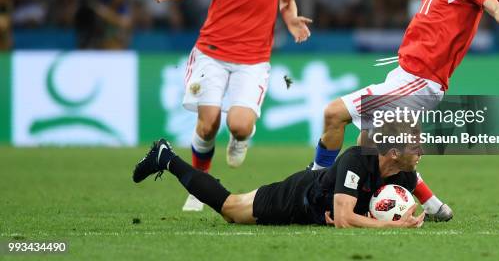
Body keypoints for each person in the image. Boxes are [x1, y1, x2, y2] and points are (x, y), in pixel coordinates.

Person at [310, 0, 499, 220]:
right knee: (369, 148)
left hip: (419, 80)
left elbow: (494, 6)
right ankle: (434, 206)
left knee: (333, 114)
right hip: (405, 76)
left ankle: (312, 187)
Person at [149, 0, 312, 211]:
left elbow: (287, 0)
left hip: (253, 58)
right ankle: (199, 187)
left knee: (239, 125)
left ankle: (241, 139)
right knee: (208, 123)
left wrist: (291, 19)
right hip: (212, 52)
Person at [132, 122, 426, 228]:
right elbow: (345, 221)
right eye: (415, 144)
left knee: (233, 207)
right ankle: (166, 157)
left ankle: (167, 158)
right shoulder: (355, 160)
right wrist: (392, 227)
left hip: (318, 209)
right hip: (300, 196)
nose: (422, 149)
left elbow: (359, 214)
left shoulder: (406, 177)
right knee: (231, 209)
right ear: (393, 152)